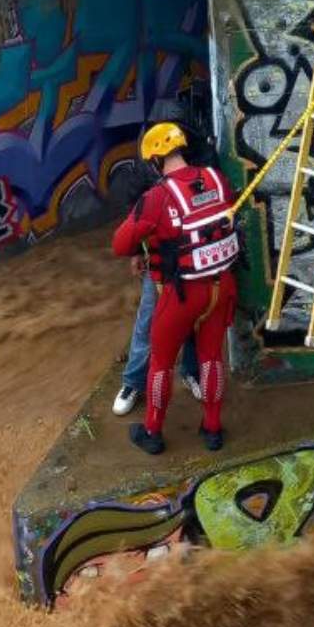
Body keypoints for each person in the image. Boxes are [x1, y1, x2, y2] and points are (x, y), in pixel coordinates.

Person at [110, 120, 239, 455]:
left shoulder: (157, 196)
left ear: (154, 160)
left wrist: (148, 238)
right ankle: (212, 429)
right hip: (221, 284)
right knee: (212, 358)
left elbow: (120, 244)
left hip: (182, 293)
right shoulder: (215, 178)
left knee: (161, 363)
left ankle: (152, 431)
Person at [111, 122, 202, 419]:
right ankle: (133, 382)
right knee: (149, 322)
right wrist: (138, 252)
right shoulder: (145, 180)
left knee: (192, 320)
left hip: (195, 261)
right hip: (162, 265)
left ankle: (192, 372)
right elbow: (132, 224)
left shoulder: (203, 171)